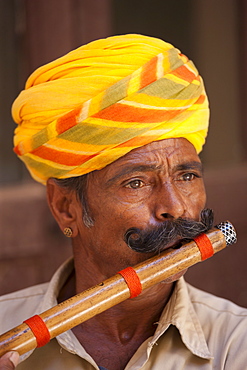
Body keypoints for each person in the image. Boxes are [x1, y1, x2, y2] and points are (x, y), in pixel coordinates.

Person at [0, 34, 246, 370]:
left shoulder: (237, 344)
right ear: (65, 208)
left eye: (186, 176)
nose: (174, 207)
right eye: (136, 183)